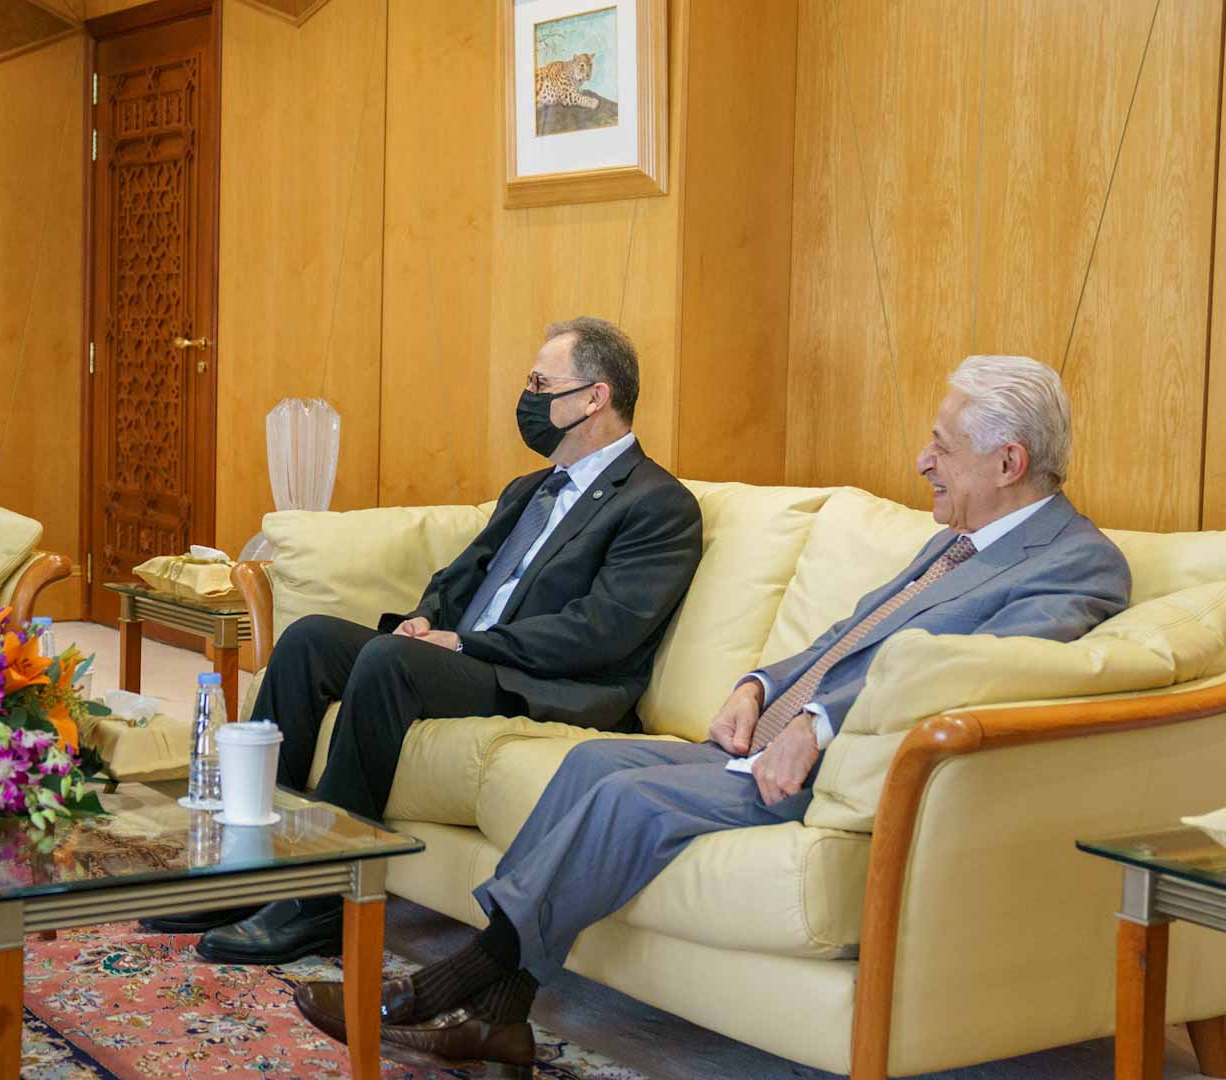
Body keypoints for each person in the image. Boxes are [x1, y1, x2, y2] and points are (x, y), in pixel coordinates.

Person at [291, 354, 1132, 1074]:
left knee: (630, 799)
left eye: (942, 448)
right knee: (588, 764)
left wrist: (819, 727)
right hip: (767, 738)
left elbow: (974, 678)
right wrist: (761, 687)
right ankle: (503, 1021)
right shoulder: (957, 540)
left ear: (1009, 461)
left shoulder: (1075, 568)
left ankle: (441, 989)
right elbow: (850, 636)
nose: (923, 461)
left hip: (844, 774)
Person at [182, 316, 705, 965]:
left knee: (389, 664)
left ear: (595, 397)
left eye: (541, 383)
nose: (530, 398)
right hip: (467, 655)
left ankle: (321, 903)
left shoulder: (659, 504)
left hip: (538, 680)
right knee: (310, 639)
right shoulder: (532, 489)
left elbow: (602, 630)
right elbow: (459, 574)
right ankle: (248, 870)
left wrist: (465, 646)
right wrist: (428, 619)